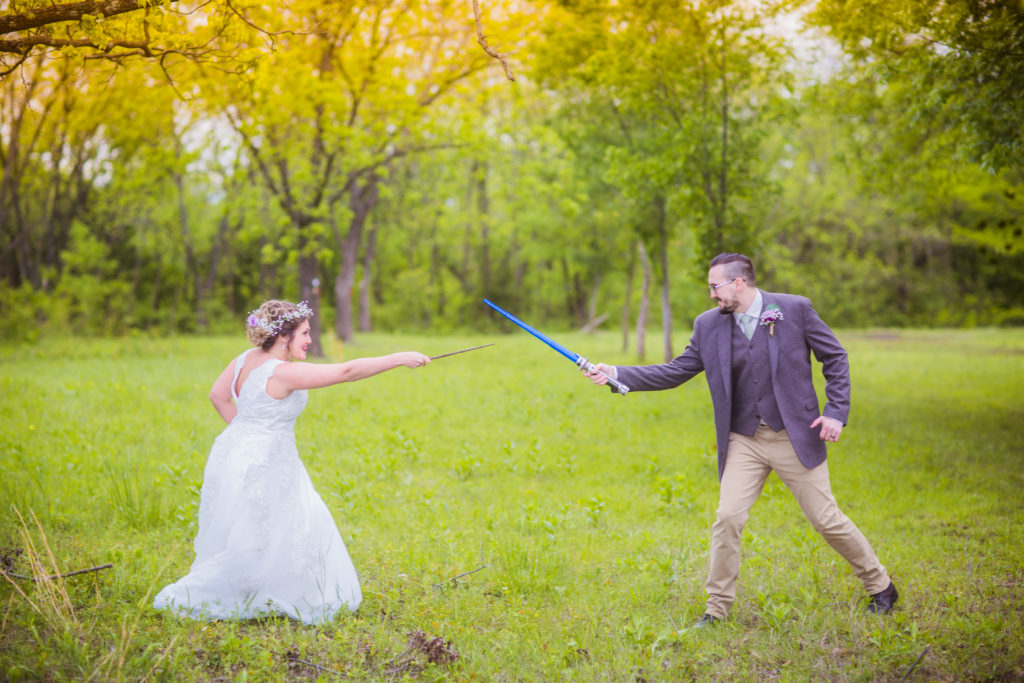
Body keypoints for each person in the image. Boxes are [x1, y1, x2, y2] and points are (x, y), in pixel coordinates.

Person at [585, 253, 897, 628]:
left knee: (826, 519)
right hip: (744, 439)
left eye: (715, 287)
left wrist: (835, 411)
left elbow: (835, 357)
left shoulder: (794, 310)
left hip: (792, 435)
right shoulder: (708, 325)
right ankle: (716, 610)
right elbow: (676, 371)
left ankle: (880, 585)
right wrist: (617, 373)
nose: (712, 295)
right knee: (727, 518)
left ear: (738, 283)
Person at [154, 300, 430, 625]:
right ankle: (232, 592)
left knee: (268, 527)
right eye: (305, 333)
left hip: (235, 454)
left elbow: (218, 395)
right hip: (266, 461)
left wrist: (247, 433)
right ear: (284, 335)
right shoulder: (282, 372)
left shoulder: (244, 360)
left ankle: (271, 585)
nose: (310, 341)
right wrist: (400, 358)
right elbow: (346, 371)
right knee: (285, 524)